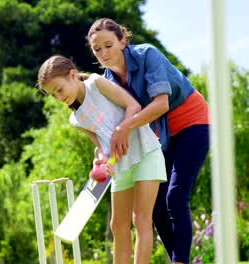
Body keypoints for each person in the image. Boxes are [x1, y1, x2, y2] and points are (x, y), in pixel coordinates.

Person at [87, 17, 210, 264]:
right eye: (96, 49)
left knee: (175, 197)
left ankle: (180, 261)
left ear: (122, 41)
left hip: (192, 123)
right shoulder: (107, 82)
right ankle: (175, 258)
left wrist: (124, 127)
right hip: (159, 136)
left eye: (108, 45)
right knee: (155, 207)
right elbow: (111, 127)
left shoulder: (147, 55)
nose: (103, 53)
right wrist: (102, 156)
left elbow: (161, 104)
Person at [38, 55, 167, 264]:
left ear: (73, 75)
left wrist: (122, 130)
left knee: (140, 219)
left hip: (145, 152)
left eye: (59, 89)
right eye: (53, 95)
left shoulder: (96, 84)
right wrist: (99, 161)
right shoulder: (76, 119)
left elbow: (133, 106)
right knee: (117, 225)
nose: (59, 97)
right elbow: (100, 147)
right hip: (120, 166)